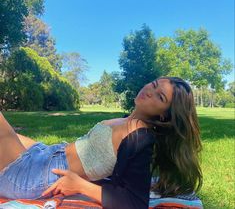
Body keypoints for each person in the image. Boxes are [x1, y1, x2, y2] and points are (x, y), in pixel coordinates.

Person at [0, 77, 202, 209]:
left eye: (160, 97)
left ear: (165, 116)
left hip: (35, 175)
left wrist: (80, 185)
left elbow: (134, 202)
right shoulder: (126, 121)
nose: (149, 90)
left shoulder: (140, 136)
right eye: (154, 84)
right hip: (46, 155)